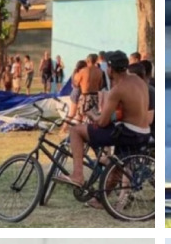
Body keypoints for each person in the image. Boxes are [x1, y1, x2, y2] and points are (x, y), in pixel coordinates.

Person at [55, 51, 151, 192]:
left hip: (128, 132)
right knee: (117, 163)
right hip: (143, 132)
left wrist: (93, 115)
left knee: (76, 131)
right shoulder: (139, 81)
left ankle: (77, 176)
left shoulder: (117, 90)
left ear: (110, 69)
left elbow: (102, 123)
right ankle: (102, 200)